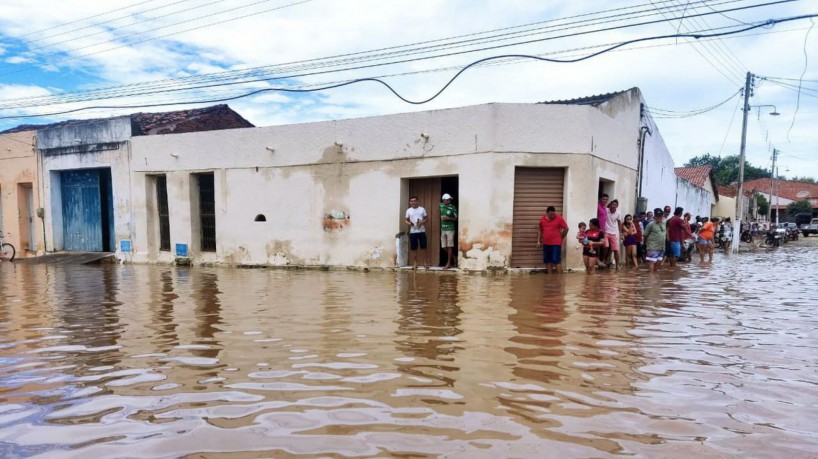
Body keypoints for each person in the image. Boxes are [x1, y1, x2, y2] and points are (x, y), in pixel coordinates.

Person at [536, 205, 569, 273]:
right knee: (547, 261)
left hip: (556, 244)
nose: (552, 216)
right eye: (550, 214)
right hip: (546, 243)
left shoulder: (559, 218)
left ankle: (560, 279)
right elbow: (540, 230)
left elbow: (566, 228)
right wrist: (538, 241)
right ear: (547, 213)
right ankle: (549, 278)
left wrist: (561, 237)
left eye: (553, 214)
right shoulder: (542, 219)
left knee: (556, 261)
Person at [404, 196, 428, 269]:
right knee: (414, 248)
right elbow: (405, 220)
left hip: (421, 231)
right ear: (410, 202)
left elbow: (426, 219)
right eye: (411, 201)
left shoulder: (422, 209)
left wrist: (421, 222)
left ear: (418, 201)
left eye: (414, 201)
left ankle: (425, 263)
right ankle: (415, 263)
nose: (413, 202)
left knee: (423, 247)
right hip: (413, 232)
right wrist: (409, 223)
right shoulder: (408, 210)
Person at [643, 208, 667, 272]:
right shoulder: (651, 224)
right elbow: (645, 235)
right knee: (652, 262)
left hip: (661, 247)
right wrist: (646, 244)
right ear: (654, 216)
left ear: (662, 216)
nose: (659, 217)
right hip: (652, 247)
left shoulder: (664, 224)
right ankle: (651, 279)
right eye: (657, 216)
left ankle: (654, 277)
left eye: (660, 216)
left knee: (658, 263)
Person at [439, 193, 458, 269]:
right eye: (447, 200)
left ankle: (449, 263)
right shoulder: (440, 205)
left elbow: (456, 218)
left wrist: (449, 218)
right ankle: (454, 257)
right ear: (443, 200)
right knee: (443, 246)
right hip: (443, 229)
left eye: (449, 200)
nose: (449, 201)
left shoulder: (453, 208)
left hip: (450, 229)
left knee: (450, 246)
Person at [605, 199, 623, 269]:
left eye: (615, 205)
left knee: (615, 249)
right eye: (612, 204)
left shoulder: (618, 213)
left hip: (613, 233)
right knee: (606, 246)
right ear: (610, 204)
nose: (613, 206)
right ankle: (604, 259)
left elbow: (619, 223)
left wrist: (620, 233)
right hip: (606, 231)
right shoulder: (606, 210)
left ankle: (617, 265)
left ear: (617, 206)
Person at [597, 194, 609, 266]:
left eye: (606, 199)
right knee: (598, 246)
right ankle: (598, 261)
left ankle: (602, 260)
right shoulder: (598, 206)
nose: (605, 201)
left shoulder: (605, 208)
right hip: (598, 230)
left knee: (605, 246)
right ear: (600, 199)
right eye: (604, 199)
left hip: (603, 230)